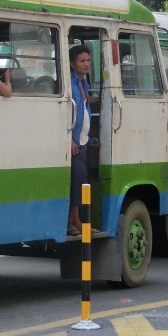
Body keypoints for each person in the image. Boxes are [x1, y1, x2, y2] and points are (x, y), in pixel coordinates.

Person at [68, 44, 96, 235]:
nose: (86, 64)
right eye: (82, 61)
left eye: (88, 60)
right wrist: (69, 138)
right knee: (75, 182)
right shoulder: (69, 84)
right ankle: (72, 222)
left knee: (81, 182)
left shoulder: (83, 83)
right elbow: (67, 112)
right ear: (72, 64)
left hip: (84, 140)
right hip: (75, 140)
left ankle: (77, 220)